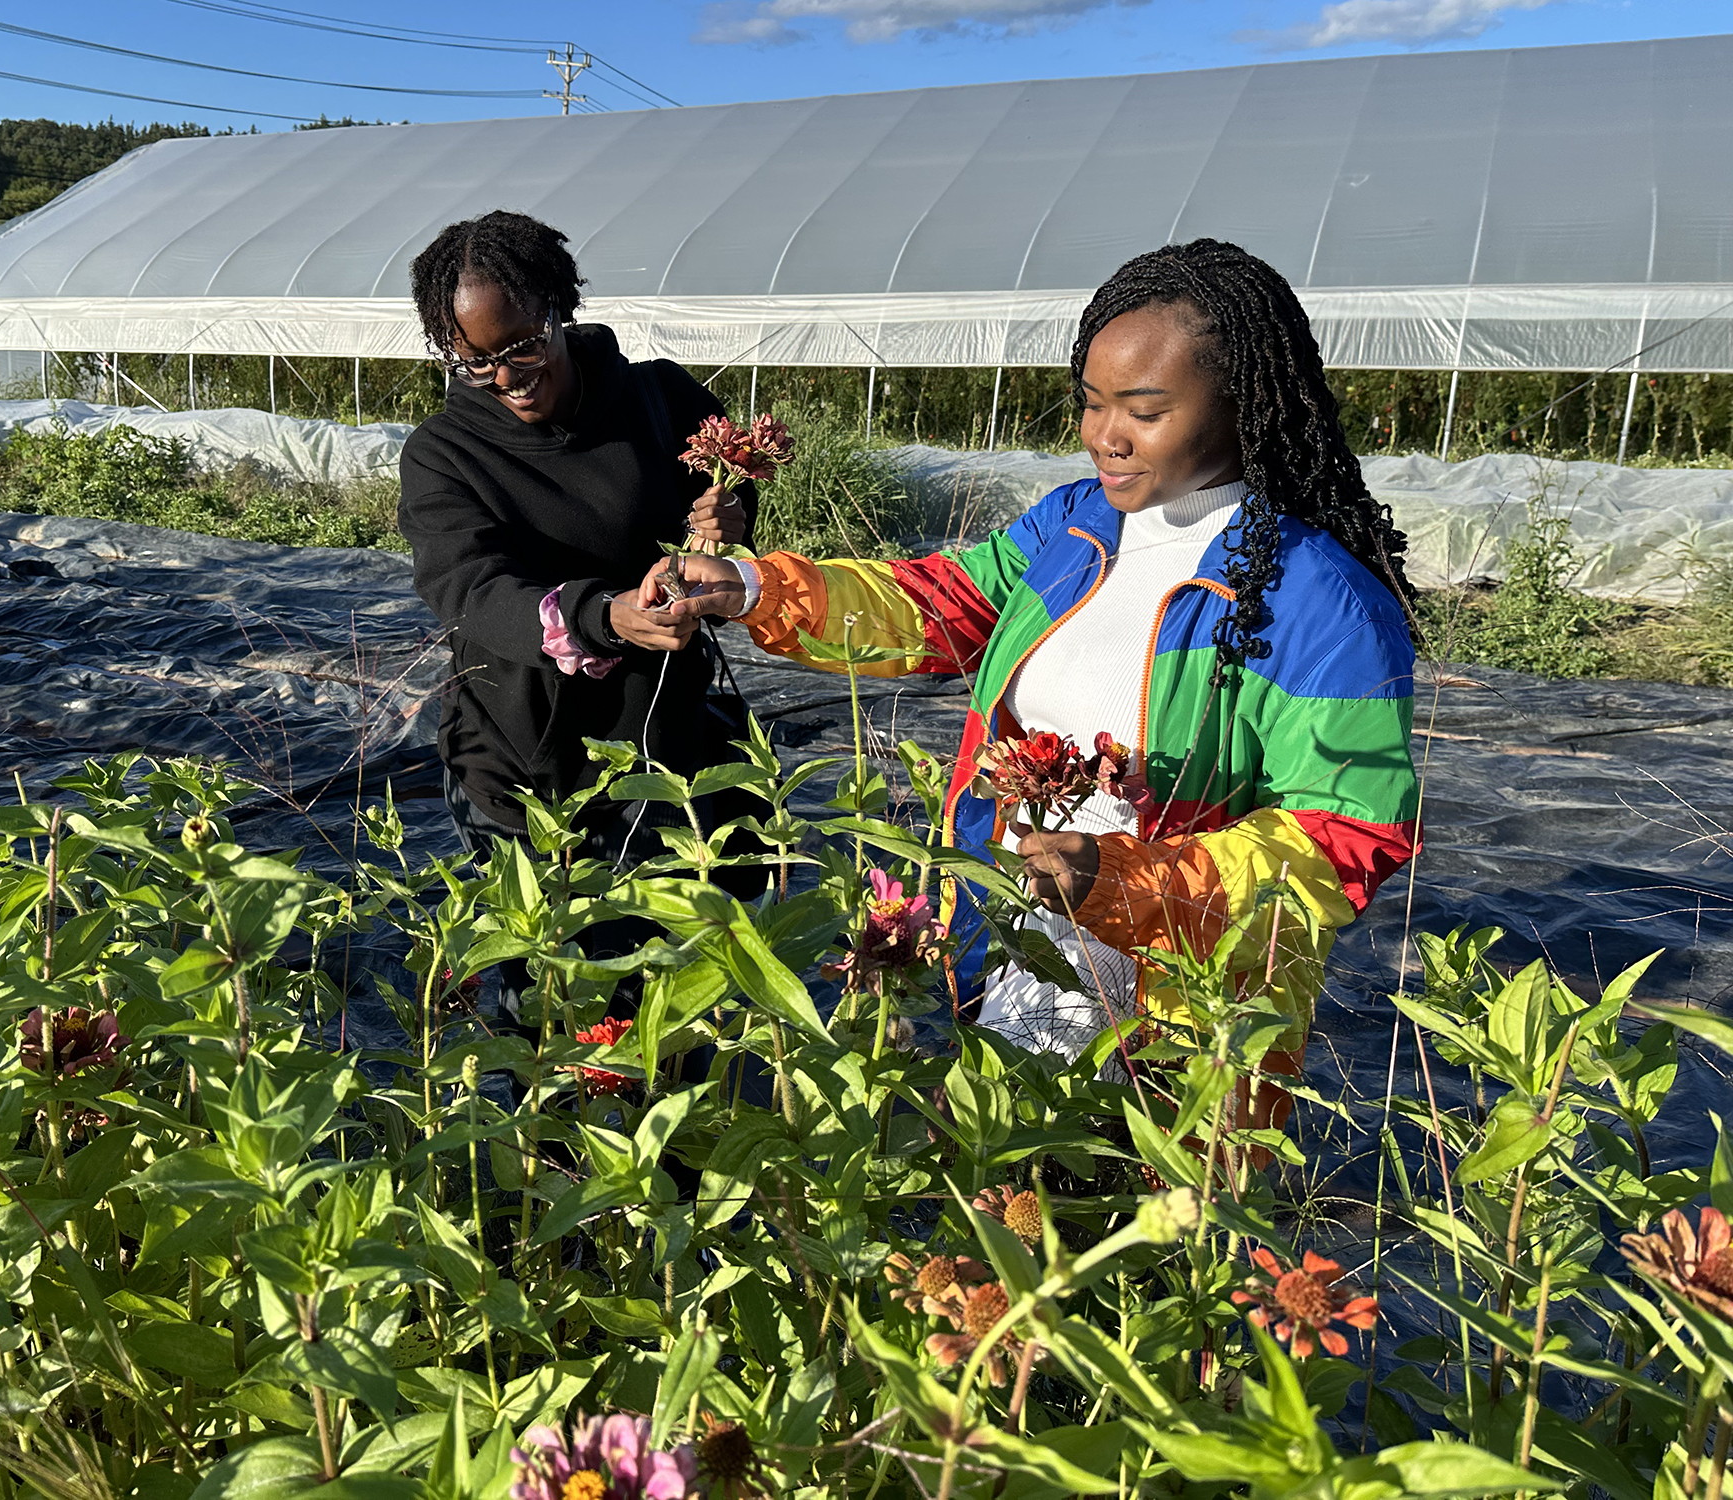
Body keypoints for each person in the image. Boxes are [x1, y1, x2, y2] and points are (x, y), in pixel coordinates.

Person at [642, 238, 1419, 1110]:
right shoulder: (1077, 524)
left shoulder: (1321, 600)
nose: (1105, 438)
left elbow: (1348, 833)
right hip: (1021, 932)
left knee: (1147, 1216)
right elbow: (943, 604)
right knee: (1004, 1173)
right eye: (1091, 404)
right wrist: (755, 586)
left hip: (1189, 995)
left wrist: (1129, 879)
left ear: (1242, 408)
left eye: (1144, 410)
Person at [398, 210, 752, 866]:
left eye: (524, 346)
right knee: (546, 960)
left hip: (660, 737)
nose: (506, 377)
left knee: (669, 948)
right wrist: (602, 616)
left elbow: (727, 504)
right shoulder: (443, 454)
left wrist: (725, 522)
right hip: (520, 760)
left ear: (558, 309)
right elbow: (473, 587)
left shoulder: (662, 400)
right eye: (477, 364)